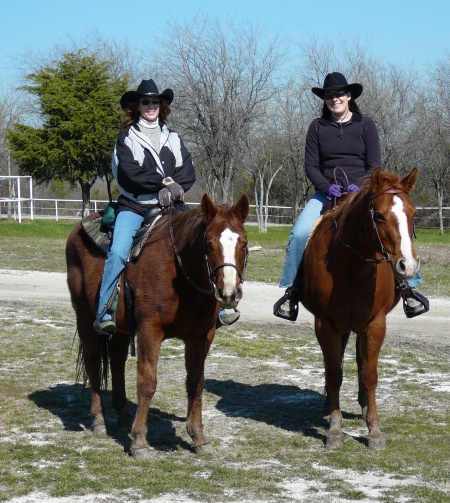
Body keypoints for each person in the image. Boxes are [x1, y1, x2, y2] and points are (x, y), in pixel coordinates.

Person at [273, 72, 428, 321]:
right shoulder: (317, 127)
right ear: (324, 100)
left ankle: (408, 287)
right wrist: (326, 186)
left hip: (363, 192)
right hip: (327, 194)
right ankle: (293, 290)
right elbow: (311, 165)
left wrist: (360, 186)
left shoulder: (366, 124)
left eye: (339, 94)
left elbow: (373, 163)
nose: (335, 99)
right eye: (329, 96)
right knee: (300, 233)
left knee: (389, 224)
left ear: (349, 96)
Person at [94, 79, 239, 335]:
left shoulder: (172, 137)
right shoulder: (127, 137)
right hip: (135, 206)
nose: (151, 106)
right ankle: (105, 310)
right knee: (117, 252)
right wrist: (161, 181)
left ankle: (221, 306)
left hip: (173, 207)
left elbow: (188, 170)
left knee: (205, 243)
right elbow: (128, 172)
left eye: (155, 102)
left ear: (162, 106)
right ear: (137, 106)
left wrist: (175, 187)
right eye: (145, 101)